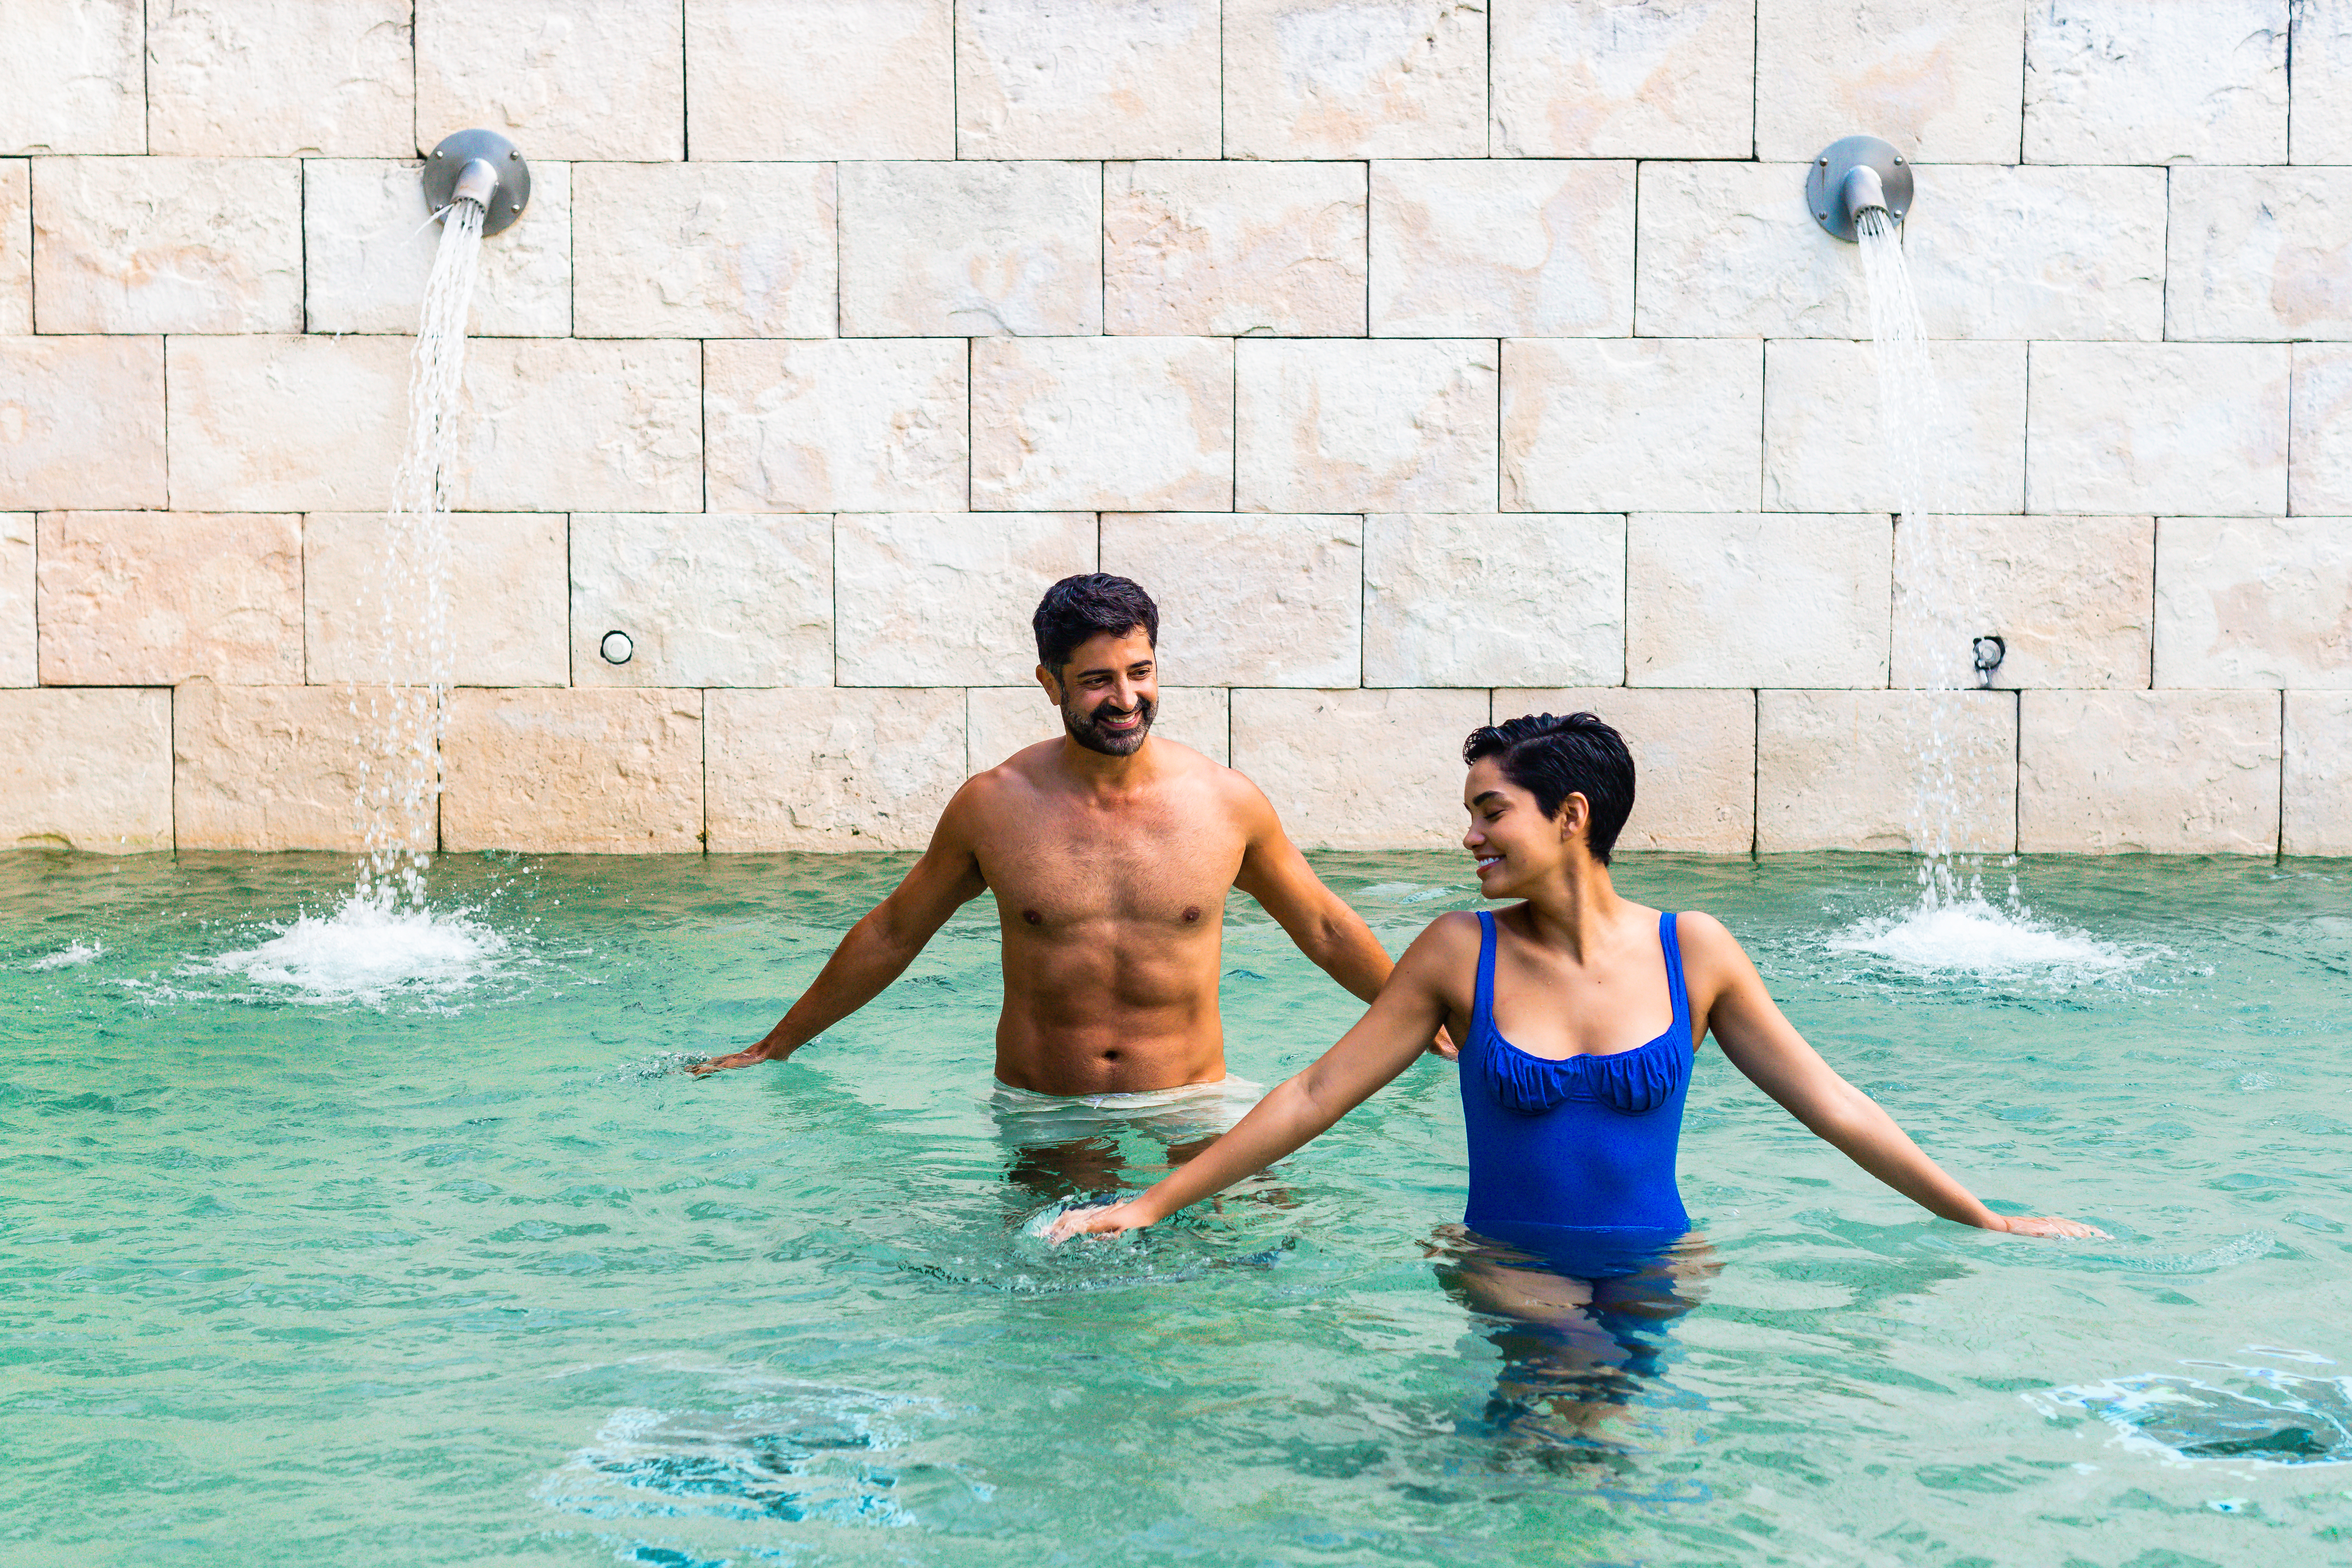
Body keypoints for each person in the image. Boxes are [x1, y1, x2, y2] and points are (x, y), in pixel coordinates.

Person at [1052, 713, 2103, 1410]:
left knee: (1577, 1435)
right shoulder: (1459, 953)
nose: (1469, 835)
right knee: (1575, 1397)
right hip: (1508, 1262)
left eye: (1489, 810)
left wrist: (1979, 1217)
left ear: (1569, 816)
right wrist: (1150, 1207)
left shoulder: (1691, 950)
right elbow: (1316, 1093)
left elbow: (1828, 1103)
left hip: (1659, 1264)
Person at [691, 574, 1428, 1195]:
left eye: (1140, 673)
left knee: (1248, 1263)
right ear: (1049, 684)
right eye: (1097, 680)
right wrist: (776, 1045)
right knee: (1060, 1293)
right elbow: (894, 932)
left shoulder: (1225, 801)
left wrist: (1433, 1027)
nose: (1126, 699)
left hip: (1193, 1101)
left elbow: (1325, 927)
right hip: (1048, 1104)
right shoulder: (994, 805)